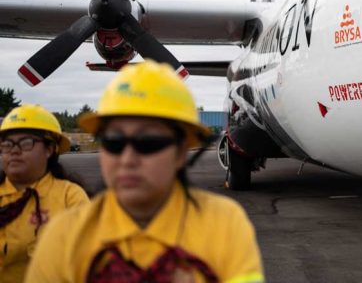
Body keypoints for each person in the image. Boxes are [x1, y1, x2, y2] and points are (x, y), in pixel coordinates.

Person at [26, 60, 265, 282]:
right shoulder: (63, 236)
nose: (128, 159)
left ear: (181, 151)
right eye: (113, 142)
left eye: (149, 142)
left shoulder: (225, 224)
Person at [0, 104, 89, 283]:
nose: (14, 151)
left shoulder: (70, 196)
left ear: (49, 149)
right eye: (7, 144)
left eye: (26, 143)